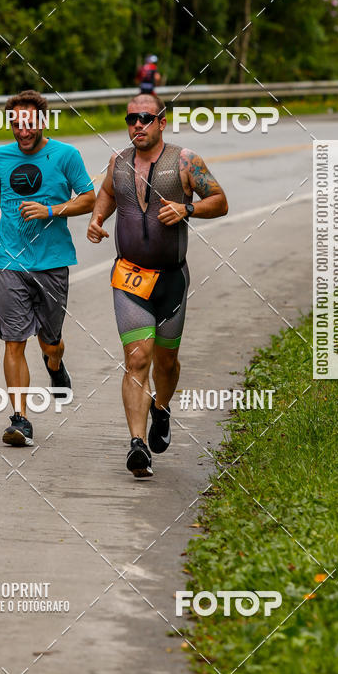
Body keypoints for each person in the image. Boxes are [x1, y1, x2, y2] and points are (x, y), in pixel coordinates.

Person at [87, 93, 228, 478]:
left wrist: (188, 208)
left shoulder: (185, 161)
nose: (138, 124)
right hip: (129, 277)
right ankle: (137, 444)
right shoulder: (118, 163)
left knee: (165, 361)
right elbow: (106, 195)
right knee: (137, 358)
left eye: (146, 118)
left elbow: (220, 200)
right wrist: (97, 220)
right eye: (132, 118)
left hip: (171, 279)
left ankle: (161, 408)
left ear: (162, 123)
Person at [0, 90, 95, 447]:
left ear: (42, 121)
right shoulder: (0, 156)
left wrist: (52, 210)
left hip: (52, 262)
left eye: (29, 124)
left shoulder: (66, 155)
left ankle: (55, 366)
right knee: (14, 340)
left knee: (50, 340)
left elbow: (88, 198)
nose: (22, 131)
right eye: (15, 124)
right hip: (9, 260)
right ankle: (20, 419)